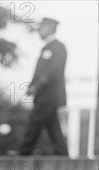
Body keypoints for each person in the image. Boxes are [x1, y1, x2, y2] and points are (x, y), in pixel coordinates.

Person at [18, 17, 69, 156]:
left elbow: (52, 72)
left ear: (49, 28)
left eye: (42, 28)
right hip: (44, 95)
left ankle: (22, 155)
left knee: (34, 124)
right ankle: (63, 157)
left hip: (49, 96)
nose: (39, 31)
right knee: (53, 129)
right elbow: (40, 72)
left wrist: (36, 86)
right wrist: (31, 86)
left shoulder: (58, 47)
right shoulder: (46, 48)